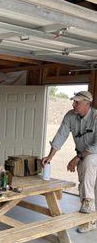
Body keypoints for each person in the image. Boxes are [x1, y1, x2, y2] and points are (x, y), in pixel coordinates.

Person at [42, 90, 97, 233]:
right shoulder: (70, 116)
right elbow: (61, 135)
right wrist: (50, 156)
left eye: (77, 102)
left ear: (87, 103)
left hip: (92, 155)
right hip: (83, 156)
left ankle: (87, 211)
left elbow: (96, 146)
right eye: (73, 101)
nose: (73, 104)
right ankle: (90, 220)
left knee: (89, 176)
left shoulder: (96, 117)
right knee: (85, 186)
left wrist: (77, 157)